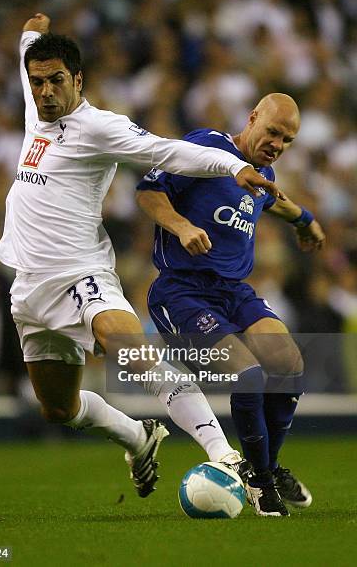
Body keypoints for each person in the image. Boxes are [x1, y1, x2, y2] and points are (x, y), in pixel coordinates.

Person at [0, 14, 280, 498]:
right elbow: (31, 70)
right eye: (37, 81)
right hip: (28, 287)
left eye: (56, 81)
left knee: (135, 353)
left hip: (81, 274)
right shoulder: (36, 110)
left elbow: (171, 153)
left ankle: (225, 456)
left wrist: (234, 166)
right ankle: (137, 435)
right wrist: (31, 35)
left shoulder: (99, 127)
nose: (44, 92)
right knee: (58, 409)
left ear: (78, 80)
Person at [136, 93, 326, 516]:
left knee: (289, 364)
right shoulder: (206, 145)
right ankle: (260, 482)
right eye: (273, 131)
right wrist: (182, 225)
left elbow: (273, 199)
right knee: (249, 374)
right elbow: (148, 192)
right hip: (181, 291)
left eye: (287, 139)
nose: (277, 143)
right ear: (253, 117)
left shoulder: (262, 173)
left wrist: (304, 220)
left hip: (233, 292)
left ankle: (267, 469)